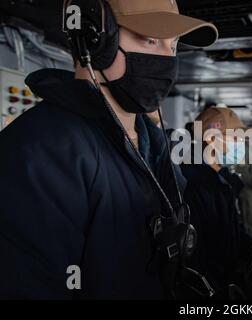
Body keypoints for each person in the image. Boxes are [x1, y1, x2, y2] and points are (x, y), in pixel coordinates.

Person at [0, 0, 217, 299]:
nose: (168, 58)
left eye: (174, 45)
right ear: (94, 38)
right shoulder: (39, 150)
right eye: (151, 39)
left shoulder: (154, 143)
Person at [181, 107, 252, 297]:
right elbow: (196, 255)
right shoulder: (193, 184)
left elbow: (230, 229)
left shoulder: (221, 178)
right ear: (211, 139)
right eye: (236, 139)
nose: (241, 145)